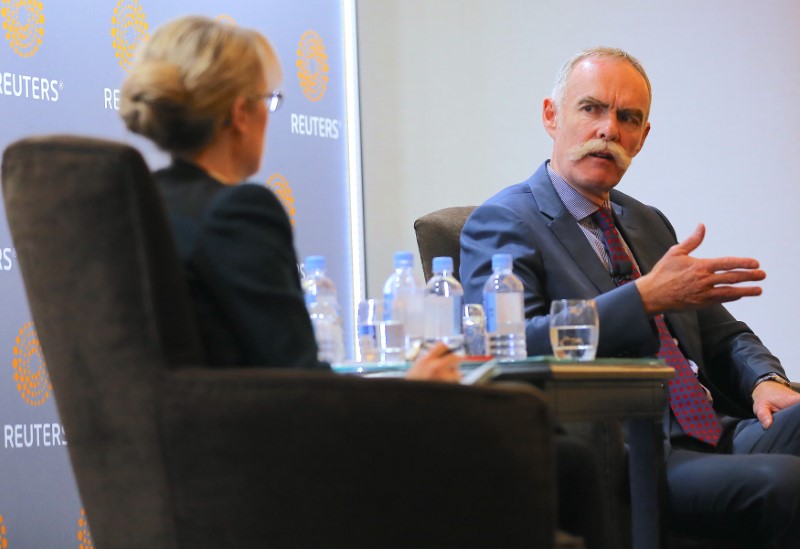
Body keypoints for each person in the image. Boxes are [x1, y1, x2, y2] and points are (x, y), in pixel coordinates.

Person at [461, 46, 800, 547]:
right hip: (631, 453)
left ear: (642, 138)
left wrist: (766, 380)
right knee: (788, 484)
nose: (608, 130)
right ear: (552, 116)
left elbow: (722, 332)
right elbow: (510, 342)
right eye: (591, 108)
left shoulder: (646, 221)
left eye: (628, 118)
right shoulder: (505, 221)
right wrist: (641, 298)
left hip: (714, 428)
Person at [118, 16, 458, 381]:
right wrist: (413, 391)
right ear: (240, 114)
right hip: (249, 434)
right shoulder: (237, 212)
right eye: (268, 99)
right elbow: (302, 385)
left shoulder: (130, 205)